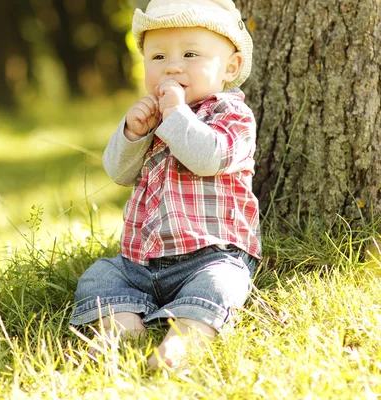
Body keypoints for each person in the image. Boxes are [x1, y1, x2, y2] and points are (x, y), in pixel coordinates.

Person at [70, 0, 261, 369]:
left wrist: (176, 115)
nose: (172, 66)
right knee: (99, 276)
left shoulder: (231, 114)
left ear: (230, 67)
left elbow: (206, 157)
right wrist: (131, 133)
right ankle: (121, 327)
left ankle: (185, 338)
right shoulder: (153, 115)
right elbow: (119, 172)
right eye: (158, 57)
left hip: (211, 255)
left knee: (223, 285)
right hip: (140, 263)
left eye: (190, 54)